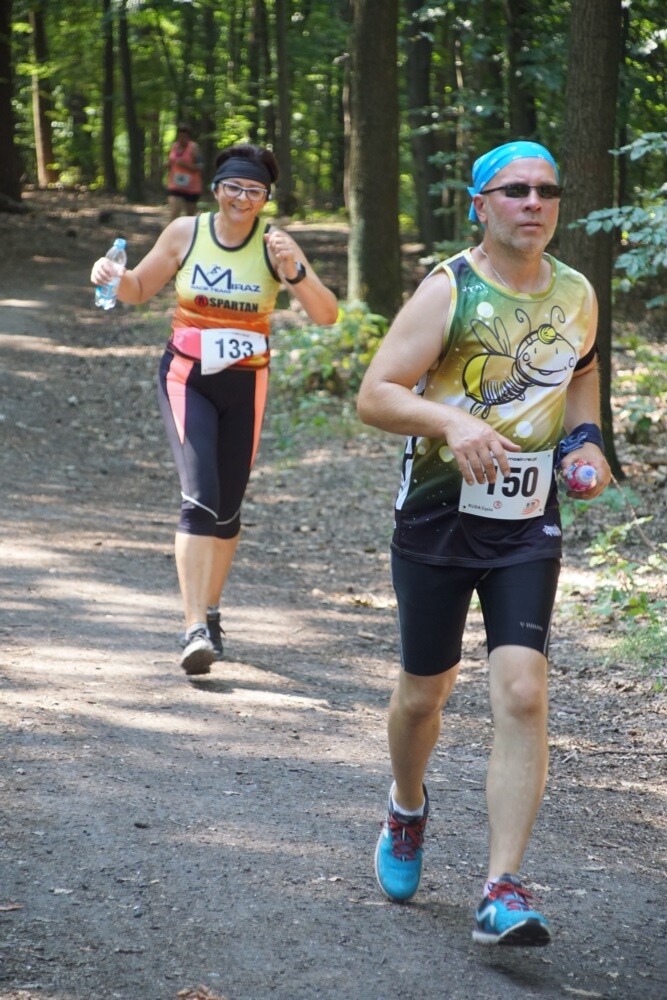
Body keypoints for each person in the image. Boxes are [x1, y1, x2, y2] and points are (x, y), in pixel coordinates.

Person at [357, 140, 611, 946]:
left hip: (526, 524)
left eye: (545, 191)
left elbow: (579, 375)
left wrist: (587, 444)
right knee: (423, 695)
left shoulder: (575, 293)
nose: (532, 203)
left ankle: (501, 886)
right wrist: (450, 419)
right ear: (480, 205)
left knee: (523, 691)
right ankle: (406, 807)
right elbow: (375, 394)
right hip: (436, 516)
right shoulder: (448, 291)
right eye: (514, 191)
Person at [91, 143, 338, 675]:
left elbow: (327, 314)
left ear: (266, 197)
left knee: (226, 513)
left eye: (253, 191)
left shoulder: (275, 247)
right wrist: (113, 275)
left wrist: (294, 273)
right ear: (217, 188)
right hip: (188, 378)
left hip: (247, 383)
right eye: (233, 187)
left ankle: (212, 611)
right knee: (199, 499)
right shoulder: (187, 233)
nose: (241, 199)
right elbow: (137, 289)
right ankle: (193, 628)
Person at [165, 124, 204, 223]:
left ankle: (188, 236)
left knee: (190, 217)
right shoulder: (174, 146)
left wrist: (186, 165)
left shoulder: (194, 148)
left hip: (191, 187)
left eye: (184, 137)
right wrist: (168, 165)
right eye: (180, 136)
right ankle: (171, 236)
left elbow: (200, 166)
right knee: (174, 211)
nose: (182, 139)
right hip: (175, 184)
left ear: (188, 137)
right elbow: (170, 162)